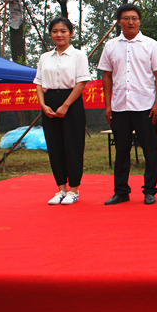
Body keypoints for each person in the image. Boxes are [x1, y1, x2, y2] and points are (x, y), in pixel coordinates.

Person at [97, 3, 157, 205]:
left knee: (149, 149)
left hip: (145, 106)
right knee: (121, 150)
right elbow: (107, 76)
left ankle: (150, 191)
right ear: (119, 22)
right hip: (119, 106)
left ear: (140, 21)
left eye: (134, 18)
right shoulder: (110, 46)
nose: (130, 22)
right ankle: (121, 191)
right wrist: (108, 105)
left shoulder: (151, 45)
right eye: (126, 18)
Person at [35, 17, 91, 205]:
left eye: (63, 31)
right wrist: (43, 105)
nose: (59, 35)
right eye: (55, 31)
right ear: (50, 34)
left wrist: (66, 105)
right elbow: (39, 83)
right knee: (54, 146)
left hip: (71, 101)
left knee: (73, 145)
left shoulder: (78, 55)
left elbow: (81, 82)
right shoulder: (44, 57)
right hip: (49, 101)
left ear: (71, 33)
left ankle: (74, 189)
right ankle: (61, 188)